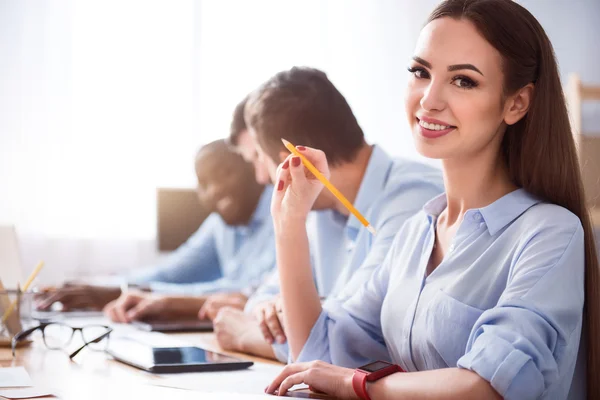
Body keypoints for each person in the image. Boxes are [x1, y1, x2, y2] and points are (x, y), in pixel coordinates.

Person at [263, 1, 600, 399]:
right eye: (421, 72)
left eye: (463, 81)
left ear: (516, 103)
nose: (428, 99)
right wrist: (290, 225)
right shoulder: (415, 234)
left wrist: (358, 385)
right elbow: (318, 351)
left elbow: (489, 387)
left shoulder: (550, 232)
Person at [214, 67, 444, 361]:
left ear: (294, 163)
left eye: (260, 157)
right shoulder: (322, 208)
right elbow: (264, 296)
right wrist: (270, 310)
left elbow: (343, 346)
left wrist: (249, 336)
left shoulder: (415, 201)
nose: (261, 177)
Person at [38, 116, 276, 322]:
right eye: (203, 184)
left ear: (253, 166)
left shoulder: (282, 213)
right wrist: (107, 285)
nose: (213, 190)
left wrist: (141, 294)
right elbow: (169, 273)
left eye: (225, 173)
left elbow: (253, 292)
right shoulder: (220, 224)